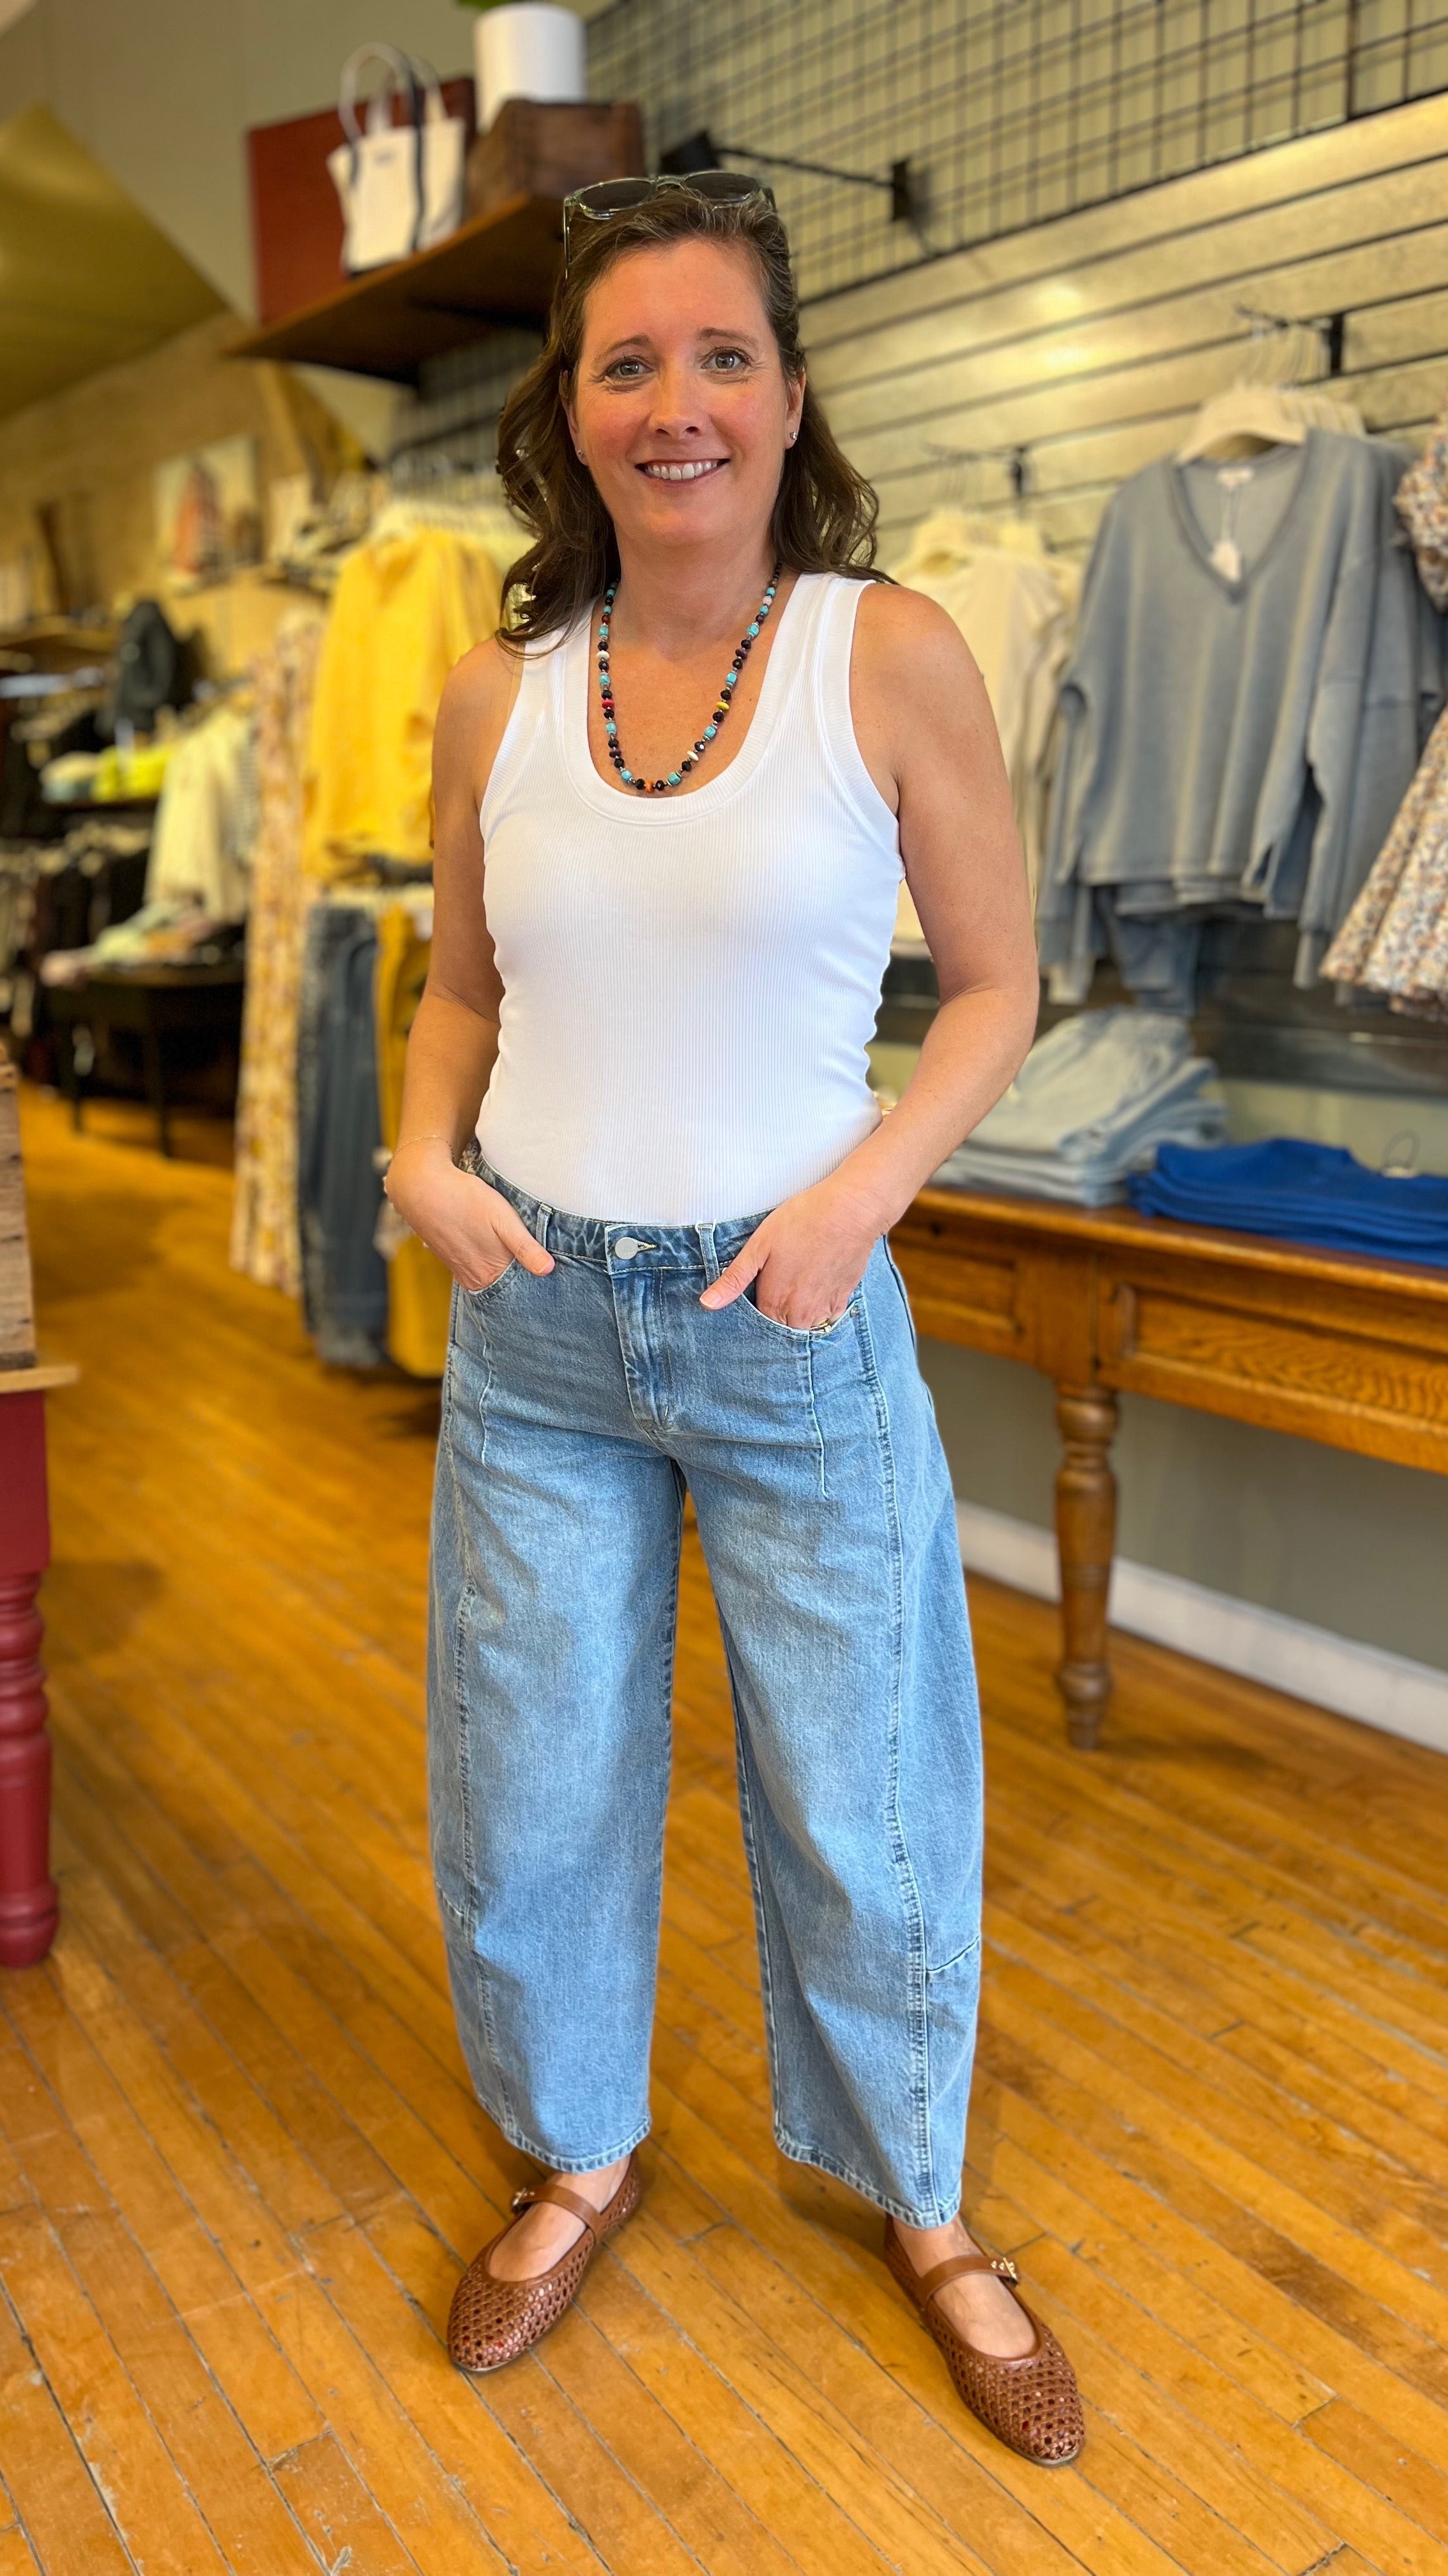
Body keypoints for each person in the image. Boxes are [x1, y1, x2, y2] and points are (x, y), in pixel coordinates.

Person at [385, 174, 1083, 2467]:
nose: (674, 402)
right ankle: (576, 2154)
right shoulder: (492, 694)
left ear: (787, 399)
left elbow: (996, 987)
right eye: (627, 363)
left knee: (864, 1789)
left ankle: (923, 2203)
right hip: (537, 1330)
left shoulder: (888, 653)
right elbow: (459, 990)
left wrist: (861, 1193)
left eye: (719, 357)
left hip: (794, 1314)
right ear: (568, 413)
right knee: (530, 1777)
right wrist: (418, 1155)